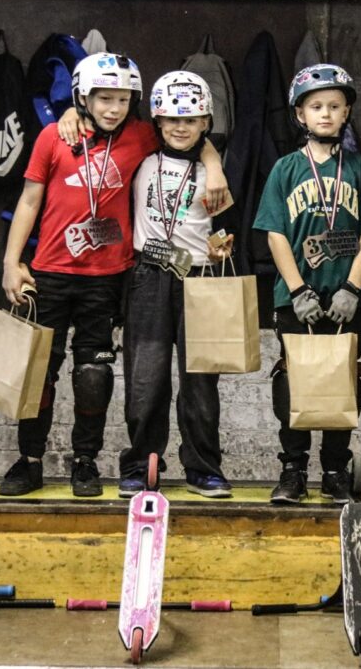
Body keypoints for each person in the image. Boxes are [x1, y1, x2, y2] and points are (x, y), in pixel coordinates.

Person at [0, 53, 227, 497]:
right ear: (83, 98)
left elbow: (191, 133)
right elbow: (28, 200)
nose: (113, 108)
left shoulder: (140, 136)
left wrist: (214, 165)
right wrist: (11, 262)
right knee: (37, 372)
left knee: (93, 375)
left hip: (106, 277)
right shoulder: (53, 136)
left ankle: (85, 461)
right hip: (49, 272)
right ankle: (29, 460)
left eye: (122, 100)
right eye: (103, 99)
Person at [253, 64, 361, 504]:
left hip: (345, 295)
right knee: (294, 380)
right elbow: (275, 233)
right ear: (300, 114)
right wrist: (298, 289)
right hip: (296, 297)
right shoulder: (286, 169)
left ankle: (335, 469)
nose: (326, 113)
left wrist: (353, 288)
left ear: (346, 113)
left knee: (343, 379)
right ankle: (293, 469)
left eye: (334, 106)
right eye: (316, 106)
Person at [120, 71, 236, 499]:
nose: (180, 128)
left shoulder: (215, 171)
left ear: (206, 122)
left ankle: (203, 467)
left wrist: (222, 247)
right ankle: (140, 464)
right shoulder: (142, 156)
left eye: (190, 120)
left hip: (199, 277)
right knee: (145, 378)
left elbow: (223, 226)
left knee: (200, 382)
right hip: (149, 276)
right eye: (171, 119)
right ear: (157, 120)